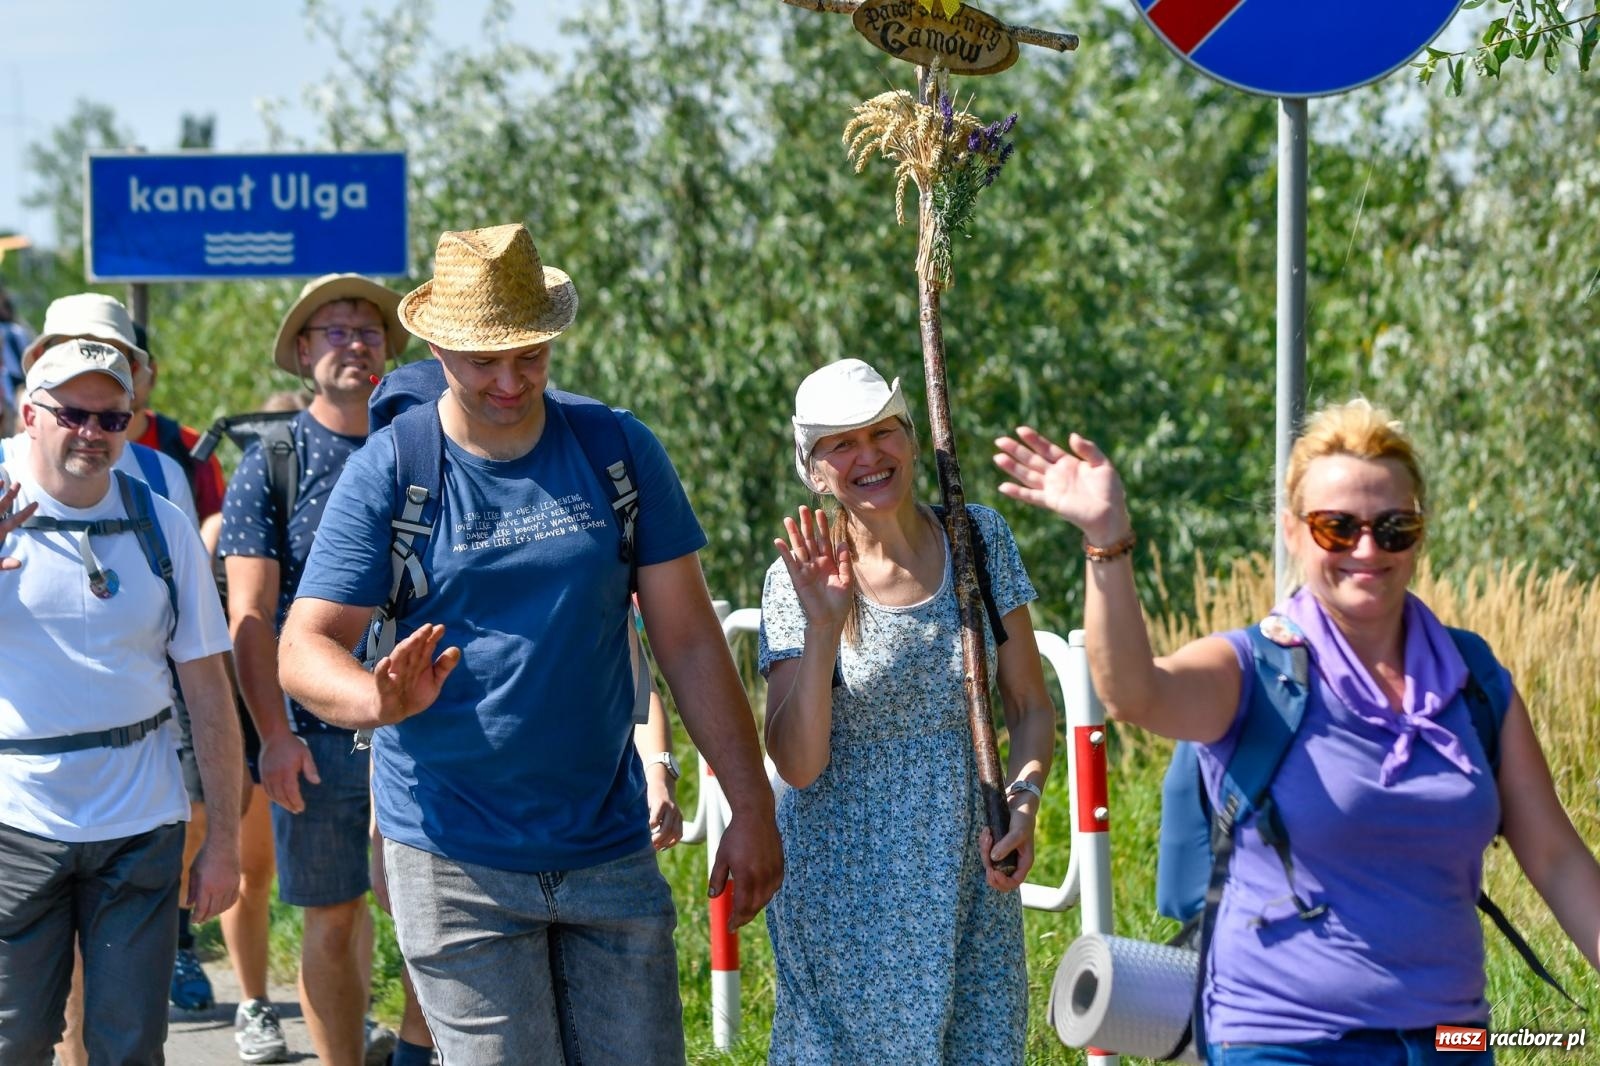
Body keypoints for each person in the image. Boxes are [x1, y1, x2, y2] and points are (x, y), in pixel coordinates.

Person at [277, 222, 783, 1065]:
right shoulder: (393, 470)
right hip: (452, 853)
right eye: (485, 361)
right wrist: (376, 698)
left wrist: (750, 805)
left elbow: (691, 644)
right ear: (437, 346)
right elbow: (304, 645)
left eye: (531, 356)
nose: (511, 381)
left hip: (607, 843)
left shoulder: (615, 450)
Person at [994, 401, 1600, 1064]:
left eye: (1393, 527)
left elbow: (1557, 860)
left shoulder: (1471, 679)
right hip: (1282, 1039)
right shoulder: (1256, 671)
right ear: (1291, 531)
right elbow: (1136, 694)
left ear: (1419, 535)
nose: (1366, 549)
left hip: (1449, 1042)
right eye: (1336, 528)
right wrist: (1106, 543)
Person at [759, 358, 1056, 1064]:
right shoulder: (797, 576)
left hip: (968, 868)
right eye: (843, 443)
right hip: (848, 884)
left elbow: (1030, 706)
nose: (869, 455)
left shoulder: (978, 539)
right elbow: (798, 765)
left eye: (883, 431)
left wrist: (1024, 800)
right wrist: (826, 624)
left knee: (979, 1045)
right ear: (815, 468)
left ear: (913, 438)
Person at [0, 339, 241, 1064]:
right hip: (15, 820)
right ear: (28, 414)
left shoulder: (163, 523)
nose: (93, 434)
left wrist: (223, 842)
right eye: (73, 414)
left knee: (130, 1045)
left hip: (140, 822)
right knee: (13, 1042)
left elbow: (207, 690)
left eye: (112, 420)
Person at [219, 274, 414, 1066]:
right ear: (304, 353)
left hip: (420, 718)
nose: (354, 344)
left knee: (428, 913)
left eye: (367, 330)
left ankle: (413, 1047)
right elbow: (251, 618)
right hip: (318, 732)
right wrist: (273, 736)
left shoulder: (423, 442)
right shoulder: (272, 461)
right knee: (333, 917)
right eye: (333, 331)